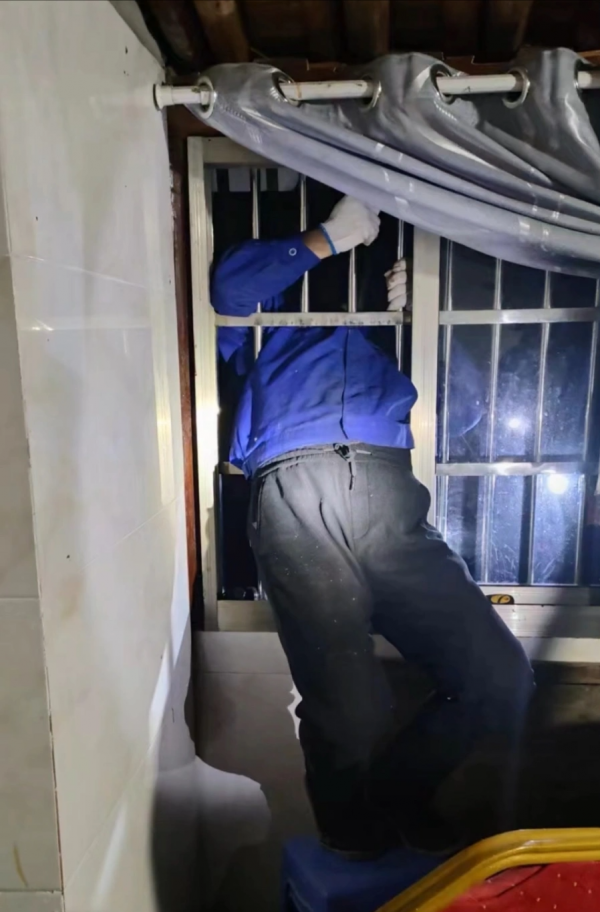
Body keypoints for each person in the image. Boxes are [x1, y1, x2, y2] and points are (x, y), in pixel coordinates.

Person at [211, 195, 535, 859]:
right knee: (350, 709)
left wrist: (427, 313)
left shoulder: (392, 330)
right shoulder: (278, 304)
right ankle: (351, 835)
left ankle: (396, 797)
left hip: (389, 487)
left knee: (502, 680)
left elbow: (462, 412)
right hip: (297, 483)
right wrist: (325, 239)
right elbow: (228, 286)